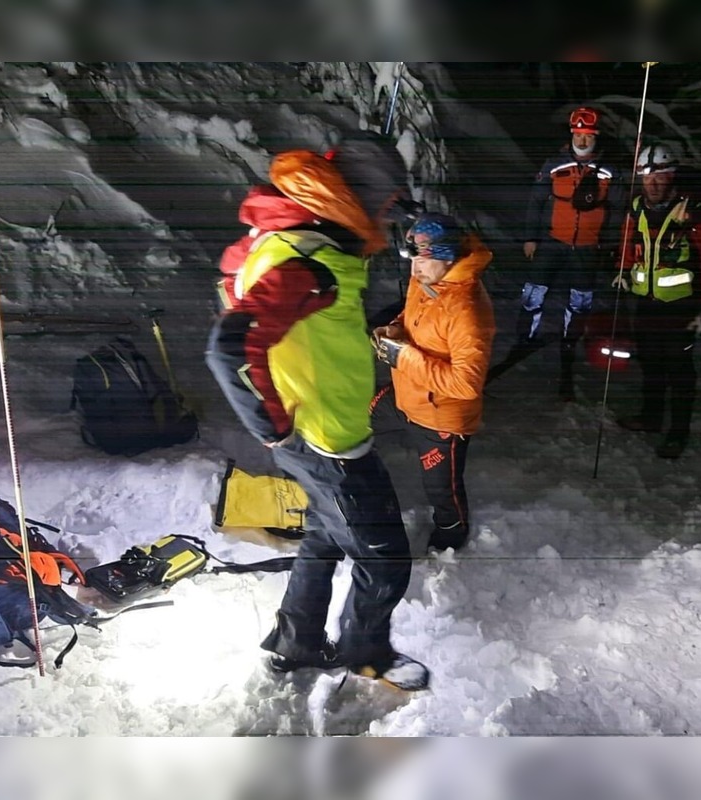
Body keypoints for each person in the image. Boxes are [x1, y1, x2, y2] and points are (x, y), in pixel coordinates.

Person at [206, 136, 428, 689]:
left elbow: (278, 316)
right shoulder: (313, 263)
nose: (387, 219)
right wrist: (274, 429)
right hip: (327, 445)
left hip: (320, 433)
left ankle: (296, 644)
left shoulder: (299, 240)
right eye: (384, 206)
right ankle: (366, 654)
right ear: (359, 199)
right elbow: (230, 347)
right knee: (384, 563)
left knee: (325, 536)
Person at [370, 212, 496, 552]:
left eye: (423, 261)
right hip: (404, 397)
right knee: (354, 422)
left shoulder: (467, 310)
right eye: (413, 260)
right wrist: (395, 328)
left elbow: (466, 383)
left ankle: (450, 540)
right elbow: (413, 314)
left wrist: (403, 356)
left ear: (447, 256)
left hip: (441, 419)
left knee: (443, 492)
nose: (415, 270)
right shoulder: (428, 277)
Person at [494, 105, 623, 400]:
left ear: (596, 136)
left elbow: (617, 212)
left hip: (588, 247)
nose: (582, 140)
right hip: (552, 242)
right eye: (577, 134)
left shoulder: (609, 172)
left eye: (587, 135)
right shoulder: (553, 165)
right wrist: (531, 237)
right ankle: (525, 337)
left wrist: (611, 243)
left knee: (579, 301)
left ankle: (570, 341)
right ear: (571, 134)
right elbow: (536, 202)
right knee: (533, 293)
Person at [614, 141, 701, 459]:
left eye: (661, 176)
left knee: (679, 369)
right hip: (645, 302)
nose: (654, 182)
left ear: (671, 176)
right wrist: (622, 270)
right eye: (648, 176)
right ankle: (650, 418)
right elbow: (627, 240)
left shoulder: (692, 213)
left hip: (681, 306)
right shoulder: (637, 208)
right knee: (650, 362)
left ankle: (678, 432)